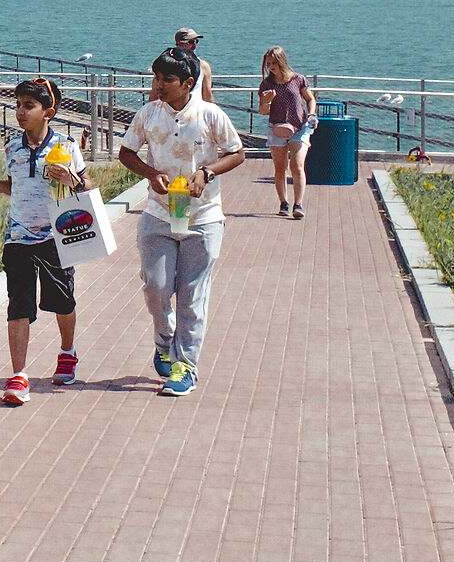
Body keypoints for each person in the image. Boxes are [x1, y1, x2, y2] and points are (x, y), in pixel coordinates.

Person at [117, 45, 247, 397]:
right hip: (160, 213)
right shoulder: (148, 114)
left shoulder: (211, 115)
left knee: (192, 296)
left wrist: (207, 172)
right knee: (156, 287)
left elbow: (238, 153)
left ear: (188, 82)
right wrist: (149, 173)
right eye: (156, 78)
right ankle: (164, 343)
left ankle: (185, 366)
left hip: (203, 217)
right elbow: (126, 152)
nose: (159, 85)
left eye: (167, 79)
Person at [0, 78, 89, 406]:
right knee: (18, 304)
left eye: (28, 106)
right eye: (17, 104)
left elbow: (86, 192)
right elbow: (12, 187)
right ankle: (19, 375)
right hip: (17, 237)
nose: (19, 112)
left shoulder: (67, 147)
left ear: (49, 112)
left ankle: (67, 352)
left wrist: (72, 179)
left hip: (56, 236)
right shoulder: (12, 148)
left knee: (62, 301)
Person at [260, 46, 317, 219]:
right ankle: (283, 202)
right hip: (276, 128)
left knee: (297, 166)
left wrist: (312, 114)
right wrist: (267, 101)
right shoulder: (266, 84)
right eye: (268, 64)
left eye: (274, 63)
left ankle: (298, 204)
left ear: (282, 61)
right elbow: (263, 110)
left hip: (298, 128)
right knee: (280, 168)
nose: (271, 67)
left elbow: (310, 99)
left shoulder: (298, 79)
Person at [173, 28, 215, 104]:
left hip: (195, 113)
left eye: (196, 41)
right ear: (180, 44)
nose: (194, 46)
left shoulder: (203, 66)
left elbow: (208, 96)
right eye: (191, 42)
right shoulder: (166, 65)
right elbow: (155, 95)